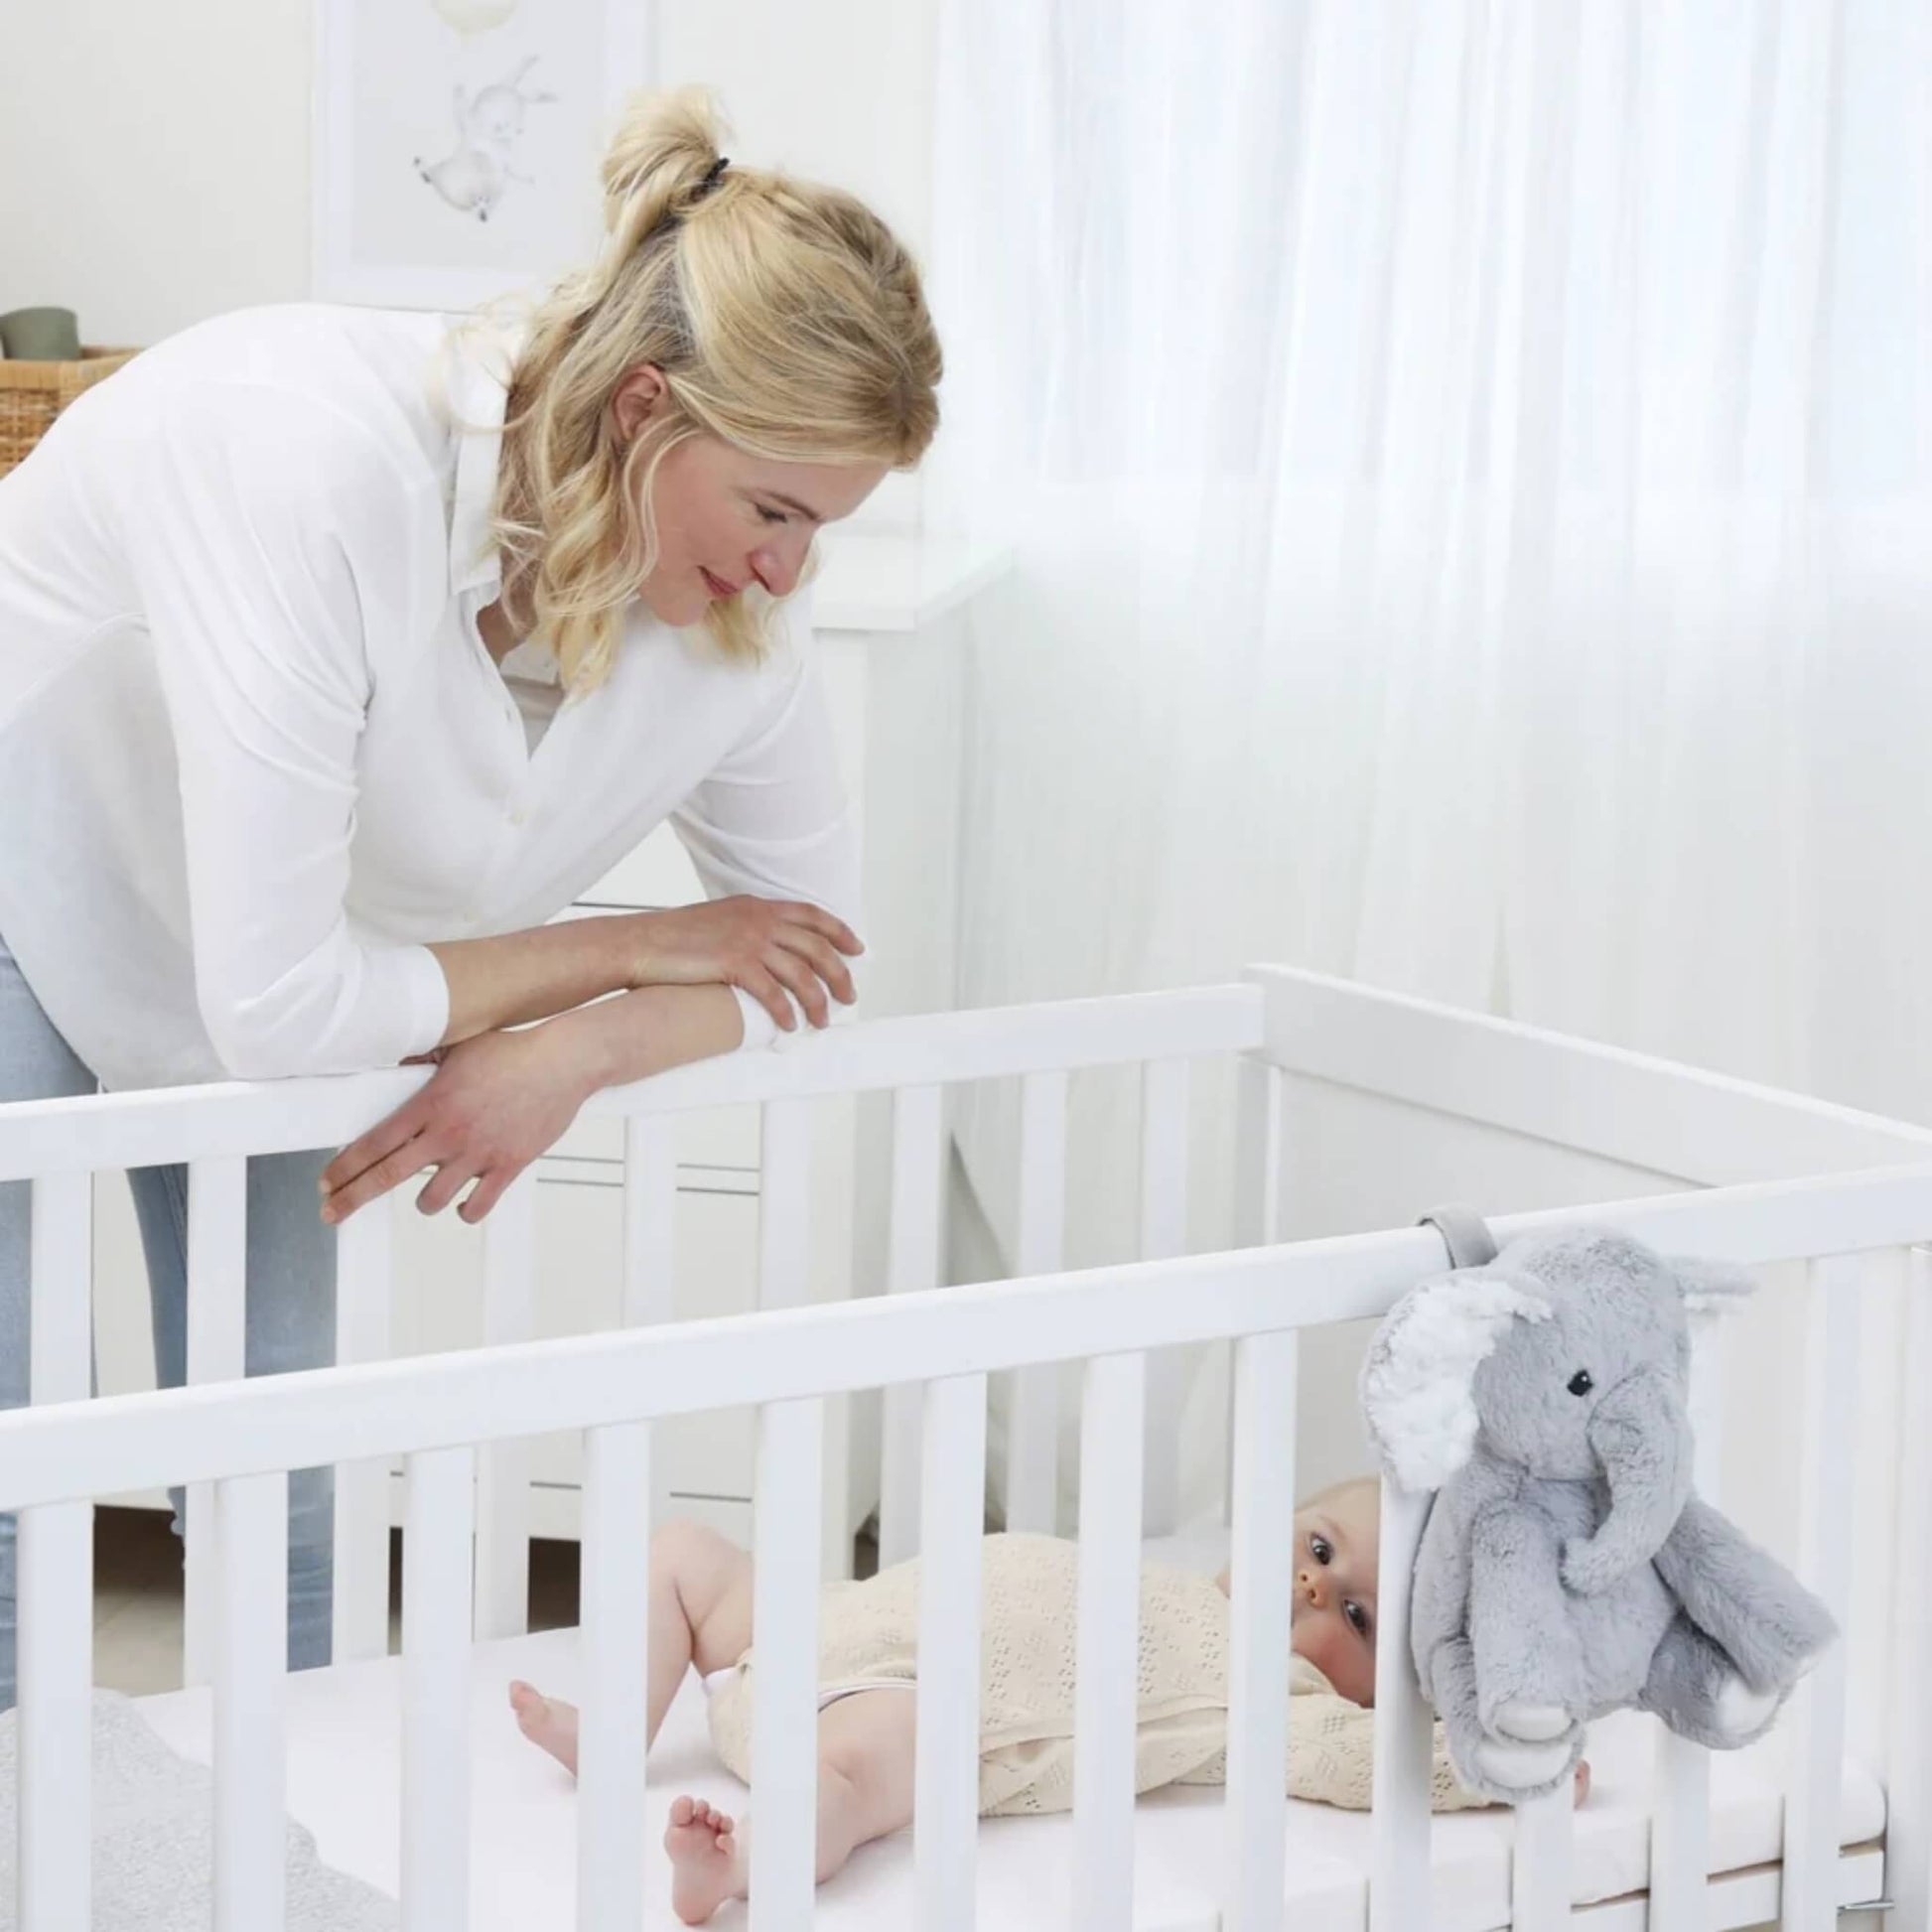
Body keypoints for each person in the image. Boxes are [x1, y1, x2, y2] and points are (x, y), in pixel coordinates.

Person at [0, 85, 941, 1707]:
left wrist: (573, 1050)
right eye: (774, 508)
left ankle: (266, 1853)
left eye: (824, 528)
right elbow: (286, 1010)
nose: (792, 571)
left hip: (271, 962)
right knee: (17, 1465)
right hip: (31, 868)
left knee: (285, 1476)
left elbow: (809, 963)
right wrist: (627, 951)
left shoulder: (735, 622)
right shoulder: (309, 462)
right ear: (646, 411)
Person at [510, 1479, 1590, 1924]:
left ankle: (739, 1862)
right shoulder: (1166, 1576)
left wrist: (1502, 1763)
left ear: (1370, 1683)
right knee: (686, 1556)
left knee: (870, 1766)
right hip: (821, 1626)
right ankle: (615, 1728)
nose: (1315, 1588)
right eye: (1317, 1549)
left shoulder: (1275, 1699)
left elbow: (1356, 1762)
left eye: (1355, 1616)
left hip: (893, 1699)